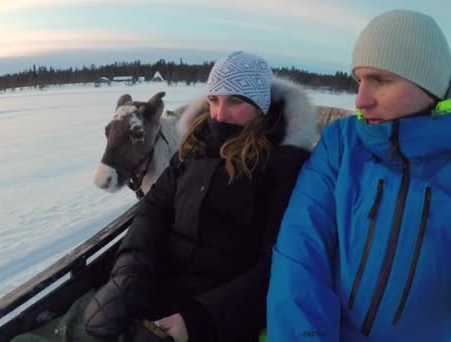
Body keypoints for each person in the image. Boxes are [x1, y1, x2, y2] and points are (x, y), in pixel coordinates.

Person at [83, 51, 315, 341]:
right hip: (157, 285)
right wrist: (129, 273)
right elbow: (154, 209)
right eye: (214, 100)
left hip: (218, 315)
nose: (219, 114)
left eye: (235, 101)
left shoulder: (283, 165)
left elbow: (276, 265)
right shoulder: (195, 145)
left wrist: (197, 320)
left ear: (261, 107)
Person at [267, 9, 451, 341]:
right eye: (358, 80)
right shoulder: (342, 144)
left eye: (380, 80)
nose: (361, 100)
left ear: (430, 83)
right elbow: (300, 253)